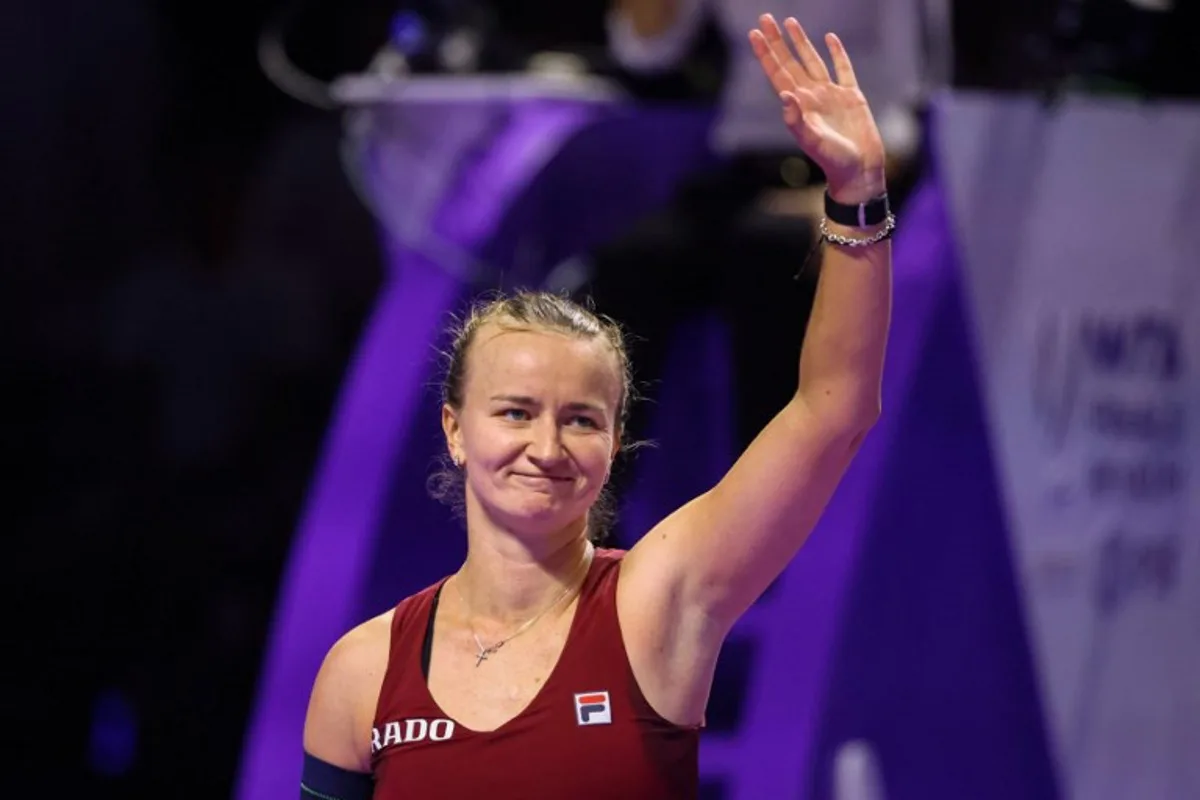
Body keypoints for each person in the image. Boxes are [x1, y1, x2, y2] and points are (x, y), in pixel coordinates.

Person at [301, 14, 893, 798]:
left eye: (580, 419)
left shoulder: (659, 603)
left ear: (616, 442)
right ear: (455, 430)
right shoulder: (362, 672)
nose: (546, 445)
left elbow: (834, 407)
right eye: (514, 412)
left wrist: (856, 196)